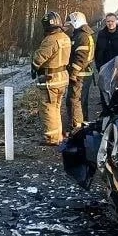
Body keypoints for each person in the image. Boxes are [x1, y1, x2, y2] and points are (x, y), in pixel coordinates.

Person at [31, 10, 71, 145]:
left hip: (51, 79)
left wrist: (34, 66)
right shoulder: (65, 37)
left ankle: (52, 138)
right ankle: (58, 135)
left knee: (48, 109)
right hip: (62, 78)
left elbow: (39, 57)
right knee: (56, 107)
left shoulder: (51, 40)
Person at [65, 11, 95, 130]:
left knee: (74, 101)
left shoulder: (82, 36)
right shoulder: (83, 34)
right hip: (84, 74)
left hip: (80, 76)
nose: (70, 26)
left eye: (71, 23)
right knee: (81, 101)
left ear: (76, 22)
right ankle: (83, 125)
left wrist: (73, 74)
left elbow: (80, 58)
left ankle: (77, 129)